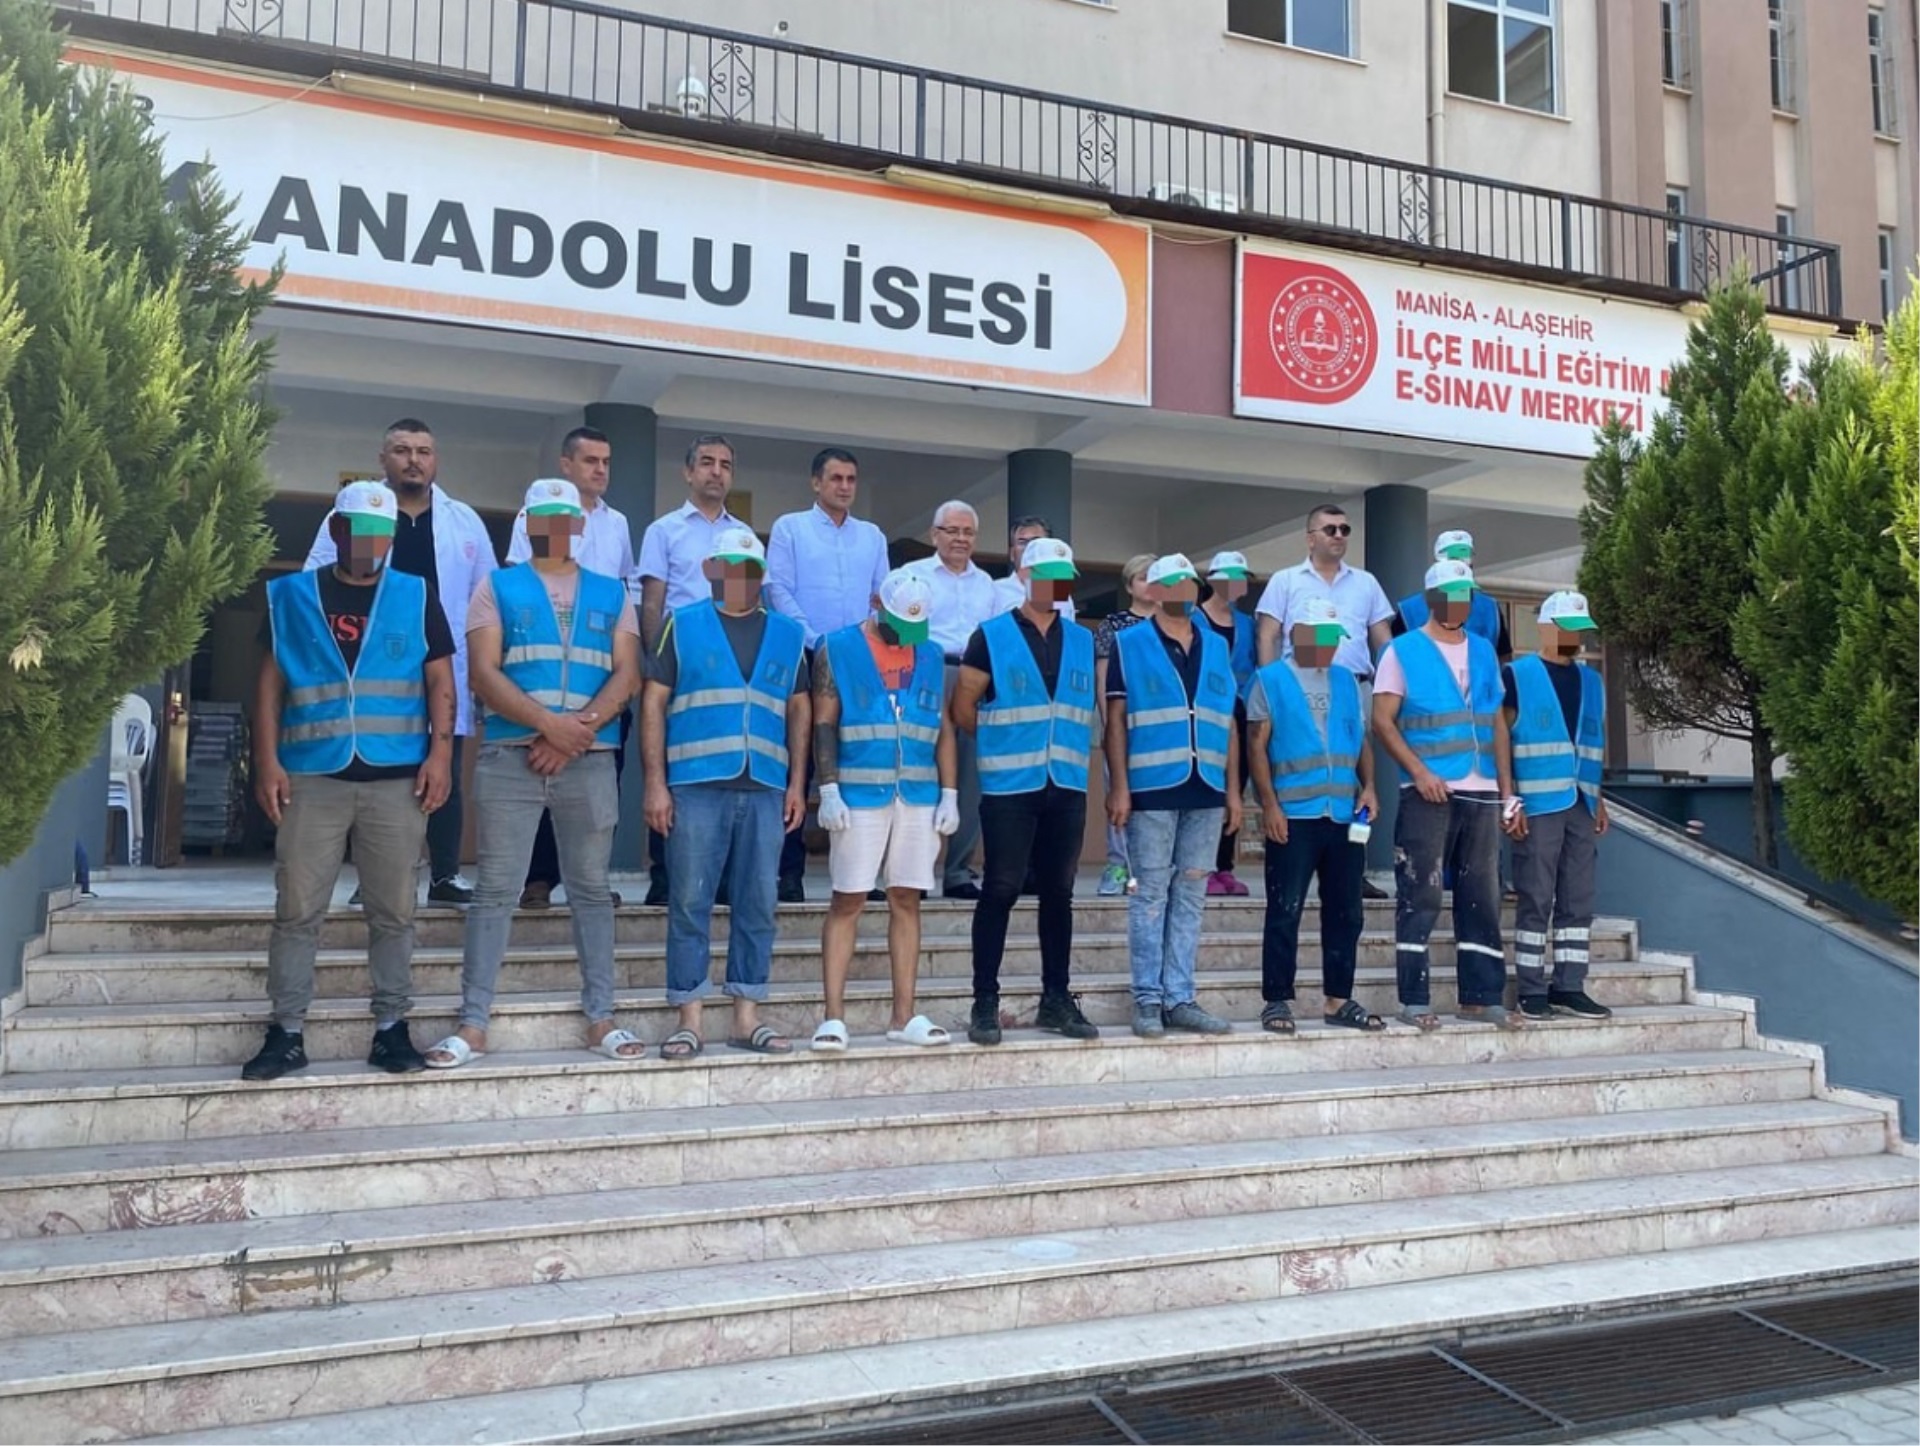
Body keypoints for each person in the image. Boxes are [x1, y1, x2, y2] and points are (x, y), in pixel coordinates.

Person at [424, 479, 644, 1070]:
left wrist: (573, 734)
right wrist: (551, 726)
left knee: (591, 891)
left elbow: (627, 674)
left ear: (579, 525)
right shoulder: (497, 586)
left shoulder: (611, 591)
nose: (556, 527)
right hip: (511, 759)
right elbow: (483, 673)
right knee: (496, 891)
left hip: (588, 759)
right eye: (544, 518)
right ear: (528, 523)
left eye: (565, 518)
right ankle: (473, 1025)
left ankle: (602, 1018)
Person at [245, 481, 454, 1081]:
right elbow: (269, 686)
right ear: (337, 531)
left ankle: (391, 1027)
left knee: (394, 911)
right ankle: (286, 1031)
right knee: (297, 909)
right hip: (312, 775)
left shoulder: (416, 594)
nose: (369, 543)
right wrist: (267, 761)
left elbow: (441, 681)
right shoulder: (291, 595)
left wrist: (441, 756)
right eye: (358, 531)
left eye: (379, 534)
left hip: (397, 779)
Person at [305, 418, 496, 906]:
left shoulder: (464, 521)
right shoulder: (353, 514)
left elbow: (487, 602)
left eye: (423, 451)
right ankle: (374, 880)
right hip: (374, 667)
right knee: (379, 772)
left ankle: (445, 876)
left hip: (441, 663)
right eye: (402, 450)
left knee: (444, 768)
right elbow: (315, 581)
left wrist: (484, 671)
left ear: (436, 460)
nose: (414, 460)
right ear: (383, 459)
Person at [643, 526, 810, 1059]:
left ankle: (746, 1016)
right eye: (730, 568)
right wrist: (655, 783)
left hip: (765, 784)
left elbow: (799, 708)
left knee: (758, 902)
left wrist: (797, 783)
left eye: (749, 570)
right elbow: (653, 702)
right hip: (695, 784)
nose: (740, 578)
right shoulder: (682, 623)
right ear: (711, 572)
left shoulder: (788, 633)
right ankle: (689, 1017)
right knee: (689, 900)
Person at [952, 537, 1101, 1046]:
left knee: (1059, 893)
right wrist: (1003, 743)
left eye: (1064, 578)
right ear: (1027, 577)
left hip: (1066, 784)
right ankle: (984, 1001)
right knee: (1000, 888)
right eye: (1049, 576)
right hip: (1010, 786)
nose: (1057, 585)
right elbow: (964, 707)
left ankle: (1056, 998)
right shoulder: (990, 636)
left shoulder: (1082, 640)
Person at [1371, 559, 1525, 1032]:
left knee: (1483, 894)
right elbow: (1382, 721)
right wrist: (1419, 773)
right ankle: (1413, 998)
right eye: (1452, 595)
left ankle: (1481, 997)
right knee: (1422, 891)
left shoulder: (1483, 650)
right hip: (1429, 792)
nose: (1460, 603)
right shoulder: (1401, 651)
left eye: (1466, 596)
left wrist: (1509, 794)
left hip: (1482, 790)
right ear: (1432, 600)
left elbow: (1497, 723)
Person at [809, 569, 959, 1052]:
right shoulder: (837, 647)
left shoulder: (930, 653)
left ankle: (904, 1016)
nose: (906, 636)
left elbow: (942, 726)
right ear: (877, 604)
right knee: (848, 900)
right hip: (858, 793)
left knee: (907, 898)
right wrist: (828, 788)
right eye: (899, 625)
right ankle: (833, 1018)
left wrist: (950, 792)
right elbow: (824, 723)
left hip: (917, 793)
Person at [1105, 554, 1242, 1038]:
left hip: (1206, 787)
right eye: (1174, 584)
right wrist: (1118, 787)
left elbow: (1228, 723)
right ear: (1156, 591)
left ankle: (1180, 997)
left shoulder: (1217, 646)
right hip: (1151, 786)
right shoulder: (1128, 643)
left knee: (1191, 895)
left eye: (1189, 583)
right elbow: (1115, 721)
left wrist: (1233, 792)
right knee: (1149, 894)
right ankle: (1148, 998)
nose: (1183, 591)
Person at [506, 427, 636, 911]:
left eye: (606, 462)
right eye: (589, 461)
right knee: (542, 774)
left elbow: (624, 592)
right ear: (566, 464)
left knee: (601, 785)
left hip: (602, 672)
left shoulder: (618, 523)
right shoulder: (534, 515)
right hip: (545, 669)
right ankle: (537, 878)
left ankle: (593, 880)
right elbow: (518, 586)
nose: (600, 469)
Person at [1246, 598, 1384, 1035]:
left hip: (1344, 814)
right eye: (1321, 636)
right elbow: (1256, 745)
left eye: (1334, 638)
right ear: (1298, 634)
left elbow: (1360, 740)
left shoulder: (1347, 681)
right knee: (1284, 909)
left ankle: (1338, 999)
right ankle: (1277, 1000)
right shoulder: (1269, 680)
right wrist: (1269, 805)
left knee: (1347, 911)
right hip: (1293, 815)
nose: (1329, 646)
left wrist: (1369, 786)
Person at [766, 447, 890, 902]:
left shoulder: (872, 536)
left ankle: (860, 875)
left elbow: (880, 598)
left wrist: (855, 645)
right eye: (835, 478)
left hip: (857, 661)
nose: (844, 486)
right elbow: (777, 590)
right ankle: (788, 874)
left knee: (855, 764)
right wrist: (817, 640)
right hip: (803, 654)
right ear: (816, 482)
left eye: (851, 479)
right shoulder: (790, 528)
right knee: (797, 764)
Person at [635, 434, 746, 906]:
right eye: (706, 462)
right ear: (688, 472)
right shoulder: (664, 530)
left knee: (722, 770)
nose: (716, 471)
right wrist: (654, 662)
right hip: (679, 662)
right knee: (671, 766)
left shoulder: (742, 534)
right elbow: (653, 602)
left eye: (725, 464)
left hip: (731, 668)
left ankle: (719, 877)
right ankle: (665, 876)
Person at [1504, 591, 1612, 1020]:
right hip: (1537, 804)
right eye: (1569, 629)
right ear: (1546, 628)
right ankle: (1531, 988)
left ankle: (1569, 985)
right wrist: (1510, 799)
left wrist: (1599, 799)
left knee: (1577, 898)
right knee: (1535, 896)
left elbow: (1594, 743)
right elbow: (1501, 742)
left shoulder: (1593, 682)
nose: (1577, 638)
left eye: (1581, 630)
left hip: (1582, 803)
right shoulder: (1517, 674)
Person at [904, 500, 1003, 901]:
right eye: (952, 530)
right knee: (922, 771)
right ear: (935, 534)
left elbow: (994, 638)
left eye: (968, 532)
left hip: (974, 677)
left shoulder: (988, 585)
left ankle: (959, 871)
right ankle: (914, 872)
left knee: (971, 777)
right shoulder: (911, 575)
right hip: (926, 671)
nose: (960, 539)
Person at [1253, 503, 1394, 678]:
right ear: (1310, 539)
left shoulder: (1367, 582)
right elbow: (1266, 637)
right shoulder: (1285, 580)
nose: (1339, 535)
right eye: (1330, 530)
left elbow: (1383, 640)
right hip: (1299, 683)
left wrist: (1390, 683)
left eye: (1344, 530)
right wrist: (1270, 685)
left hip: (1356, 683)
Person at [1093, 553, 1158, 896]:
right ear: (1130, 585)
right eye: (1143, 577)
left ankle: (1152, 868)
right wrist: (1110, 726)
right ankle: (1119, 865)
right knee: (1118, 796)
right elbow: (1103, 678)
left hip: (1162, 728)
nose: (1151, 585)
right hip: (1123, 724)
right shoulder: (1114, 626)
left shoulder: (1175, 623)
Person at [1198, 550, 1258, 897]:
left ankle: (1224, 865)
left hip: (1240, 712)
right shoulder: (1193, 618)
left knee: (1235, 787)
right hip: (1206, 713)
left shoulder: (1248, 624)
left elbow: (1254, 666)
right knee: (1208, 787)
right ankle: (1201, 864)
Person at [1394, 530, 1511, 658]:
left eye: (1463, 557)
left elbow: (1503, 657)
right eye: (1453, 559)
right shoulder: (1408, 611)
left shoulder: (1490, 608)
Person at [993, 515, 1078, 621]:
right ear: (1012, 554)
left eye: (1036, 542)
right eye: (1022, 542)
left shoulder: (1060, 593)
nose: (1029, 548)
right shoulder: (994, 591)